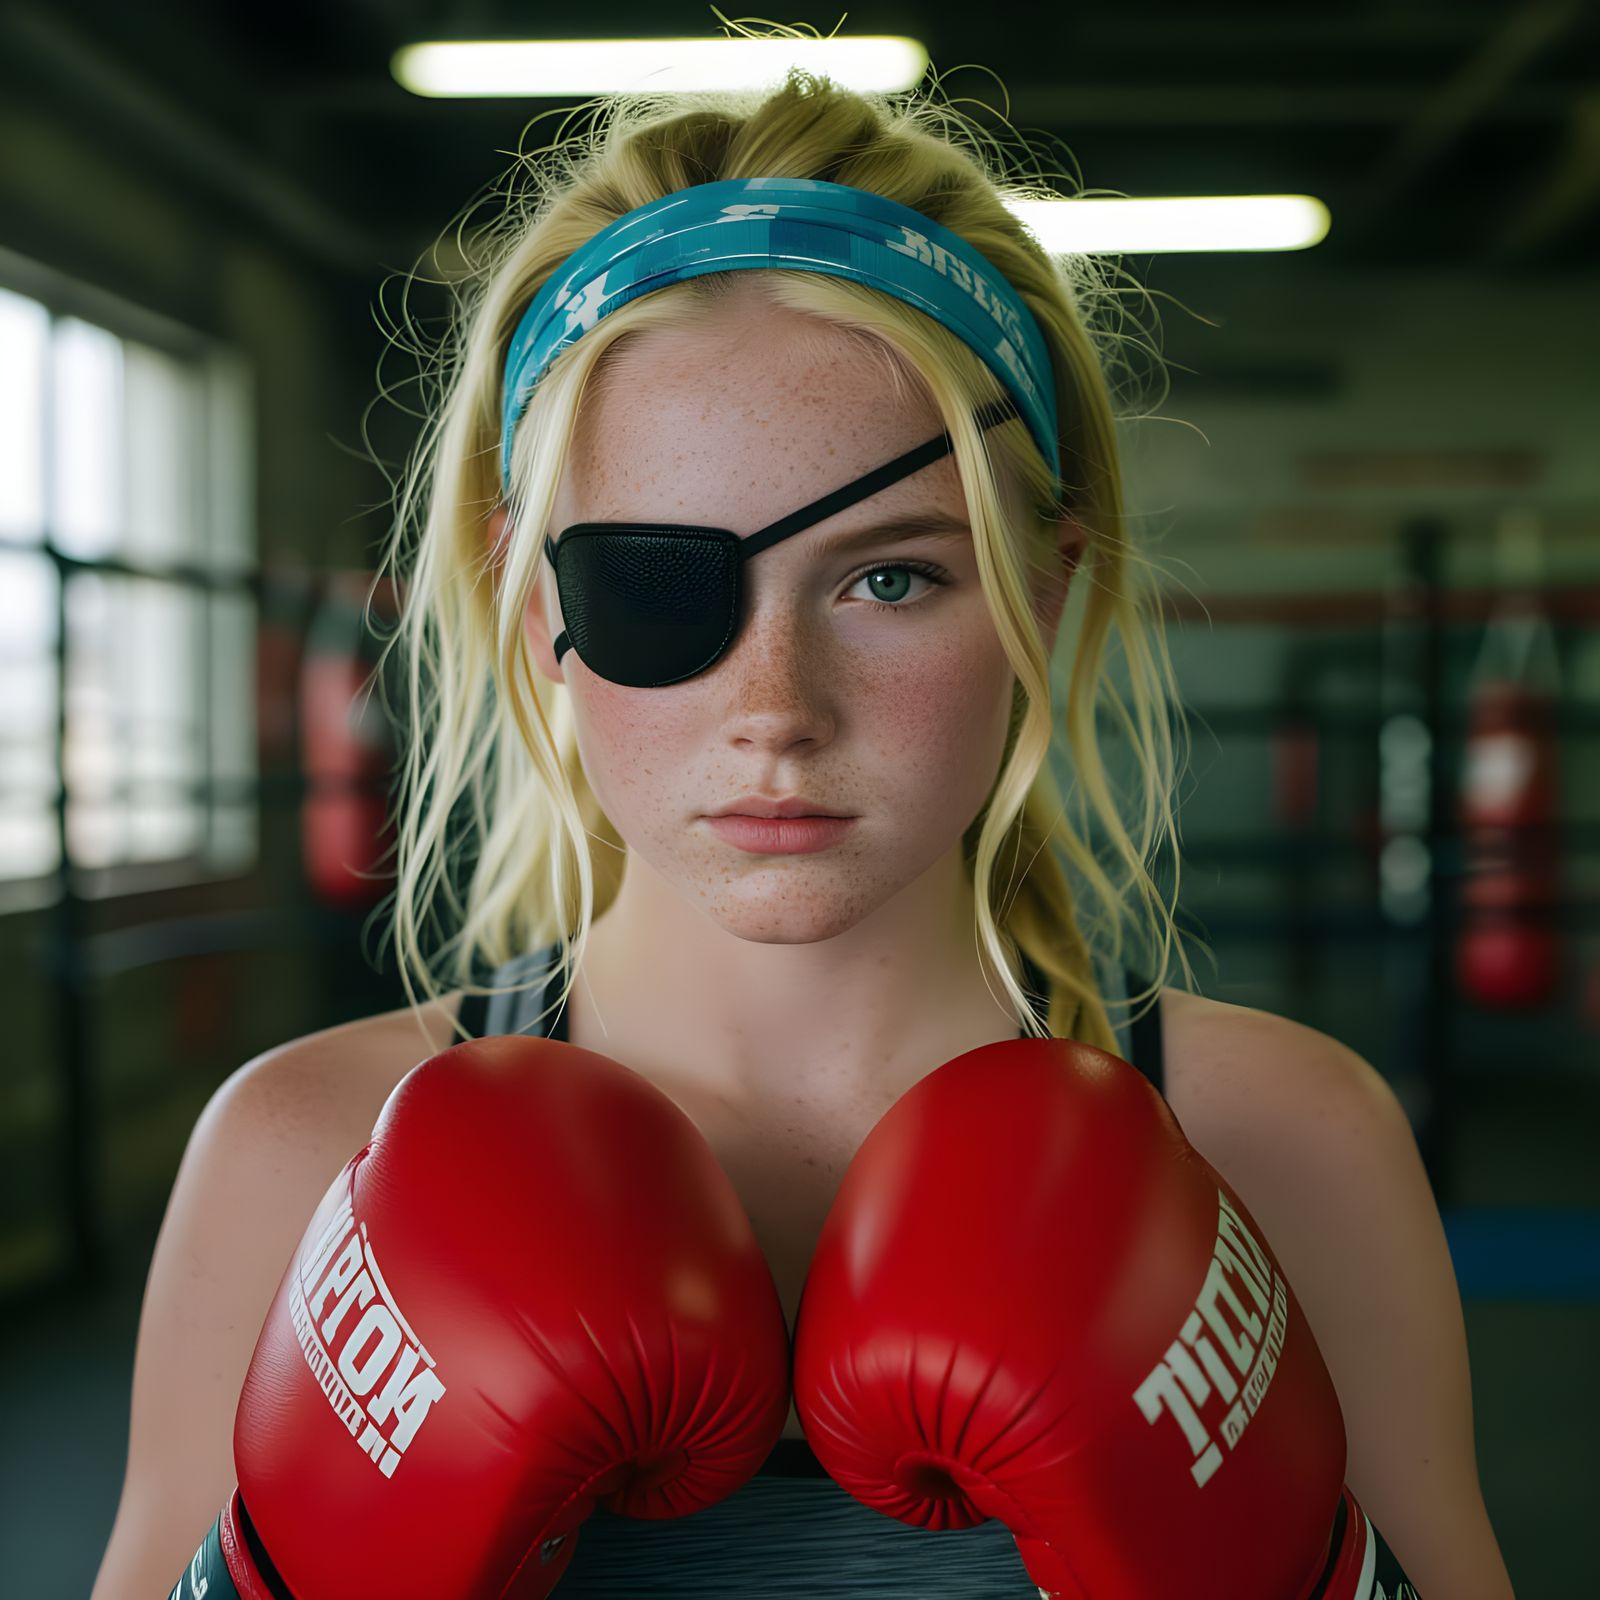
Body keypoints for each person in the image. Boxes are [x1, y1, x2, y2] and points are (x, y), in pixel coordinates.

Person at [94, 51, 1515, 1600]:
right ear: (532, 610)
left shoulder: (1282, 1144)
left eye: (889, 577)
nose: (777, 706)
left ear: (1041, 588)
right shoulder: (299, 1156)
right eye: (654, 585)